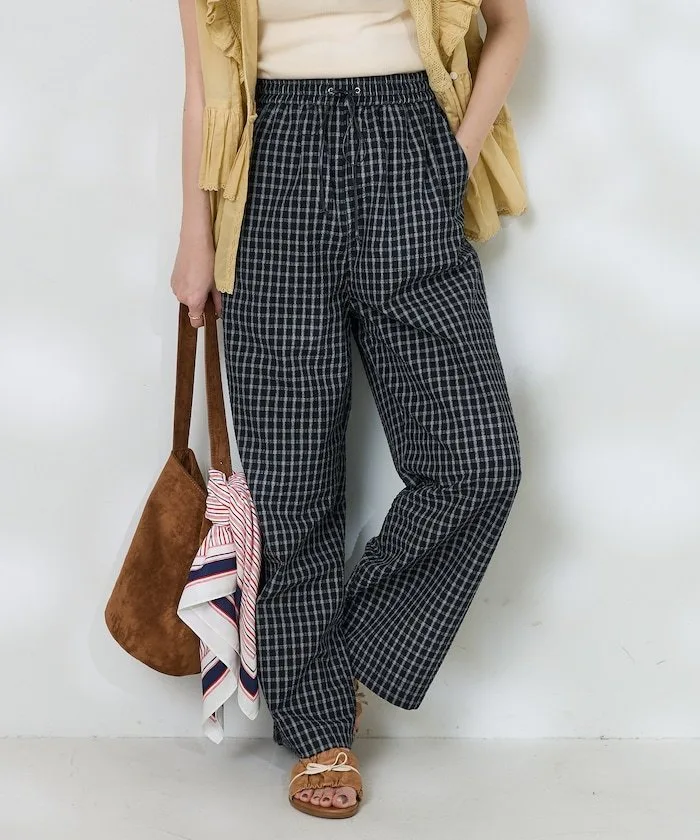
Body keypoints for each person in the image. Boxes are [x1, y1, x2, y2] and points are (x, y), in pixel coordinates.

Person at [171, 0, 529, 819]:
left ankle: (322, 662)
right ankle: (319, 728)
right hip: (269, 165)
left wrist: (454, 156)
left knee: (478, 463)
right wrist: (195, 234)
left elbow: (510, 24)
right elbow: (202, 80)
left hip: (409, 145)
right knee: (290, 488)